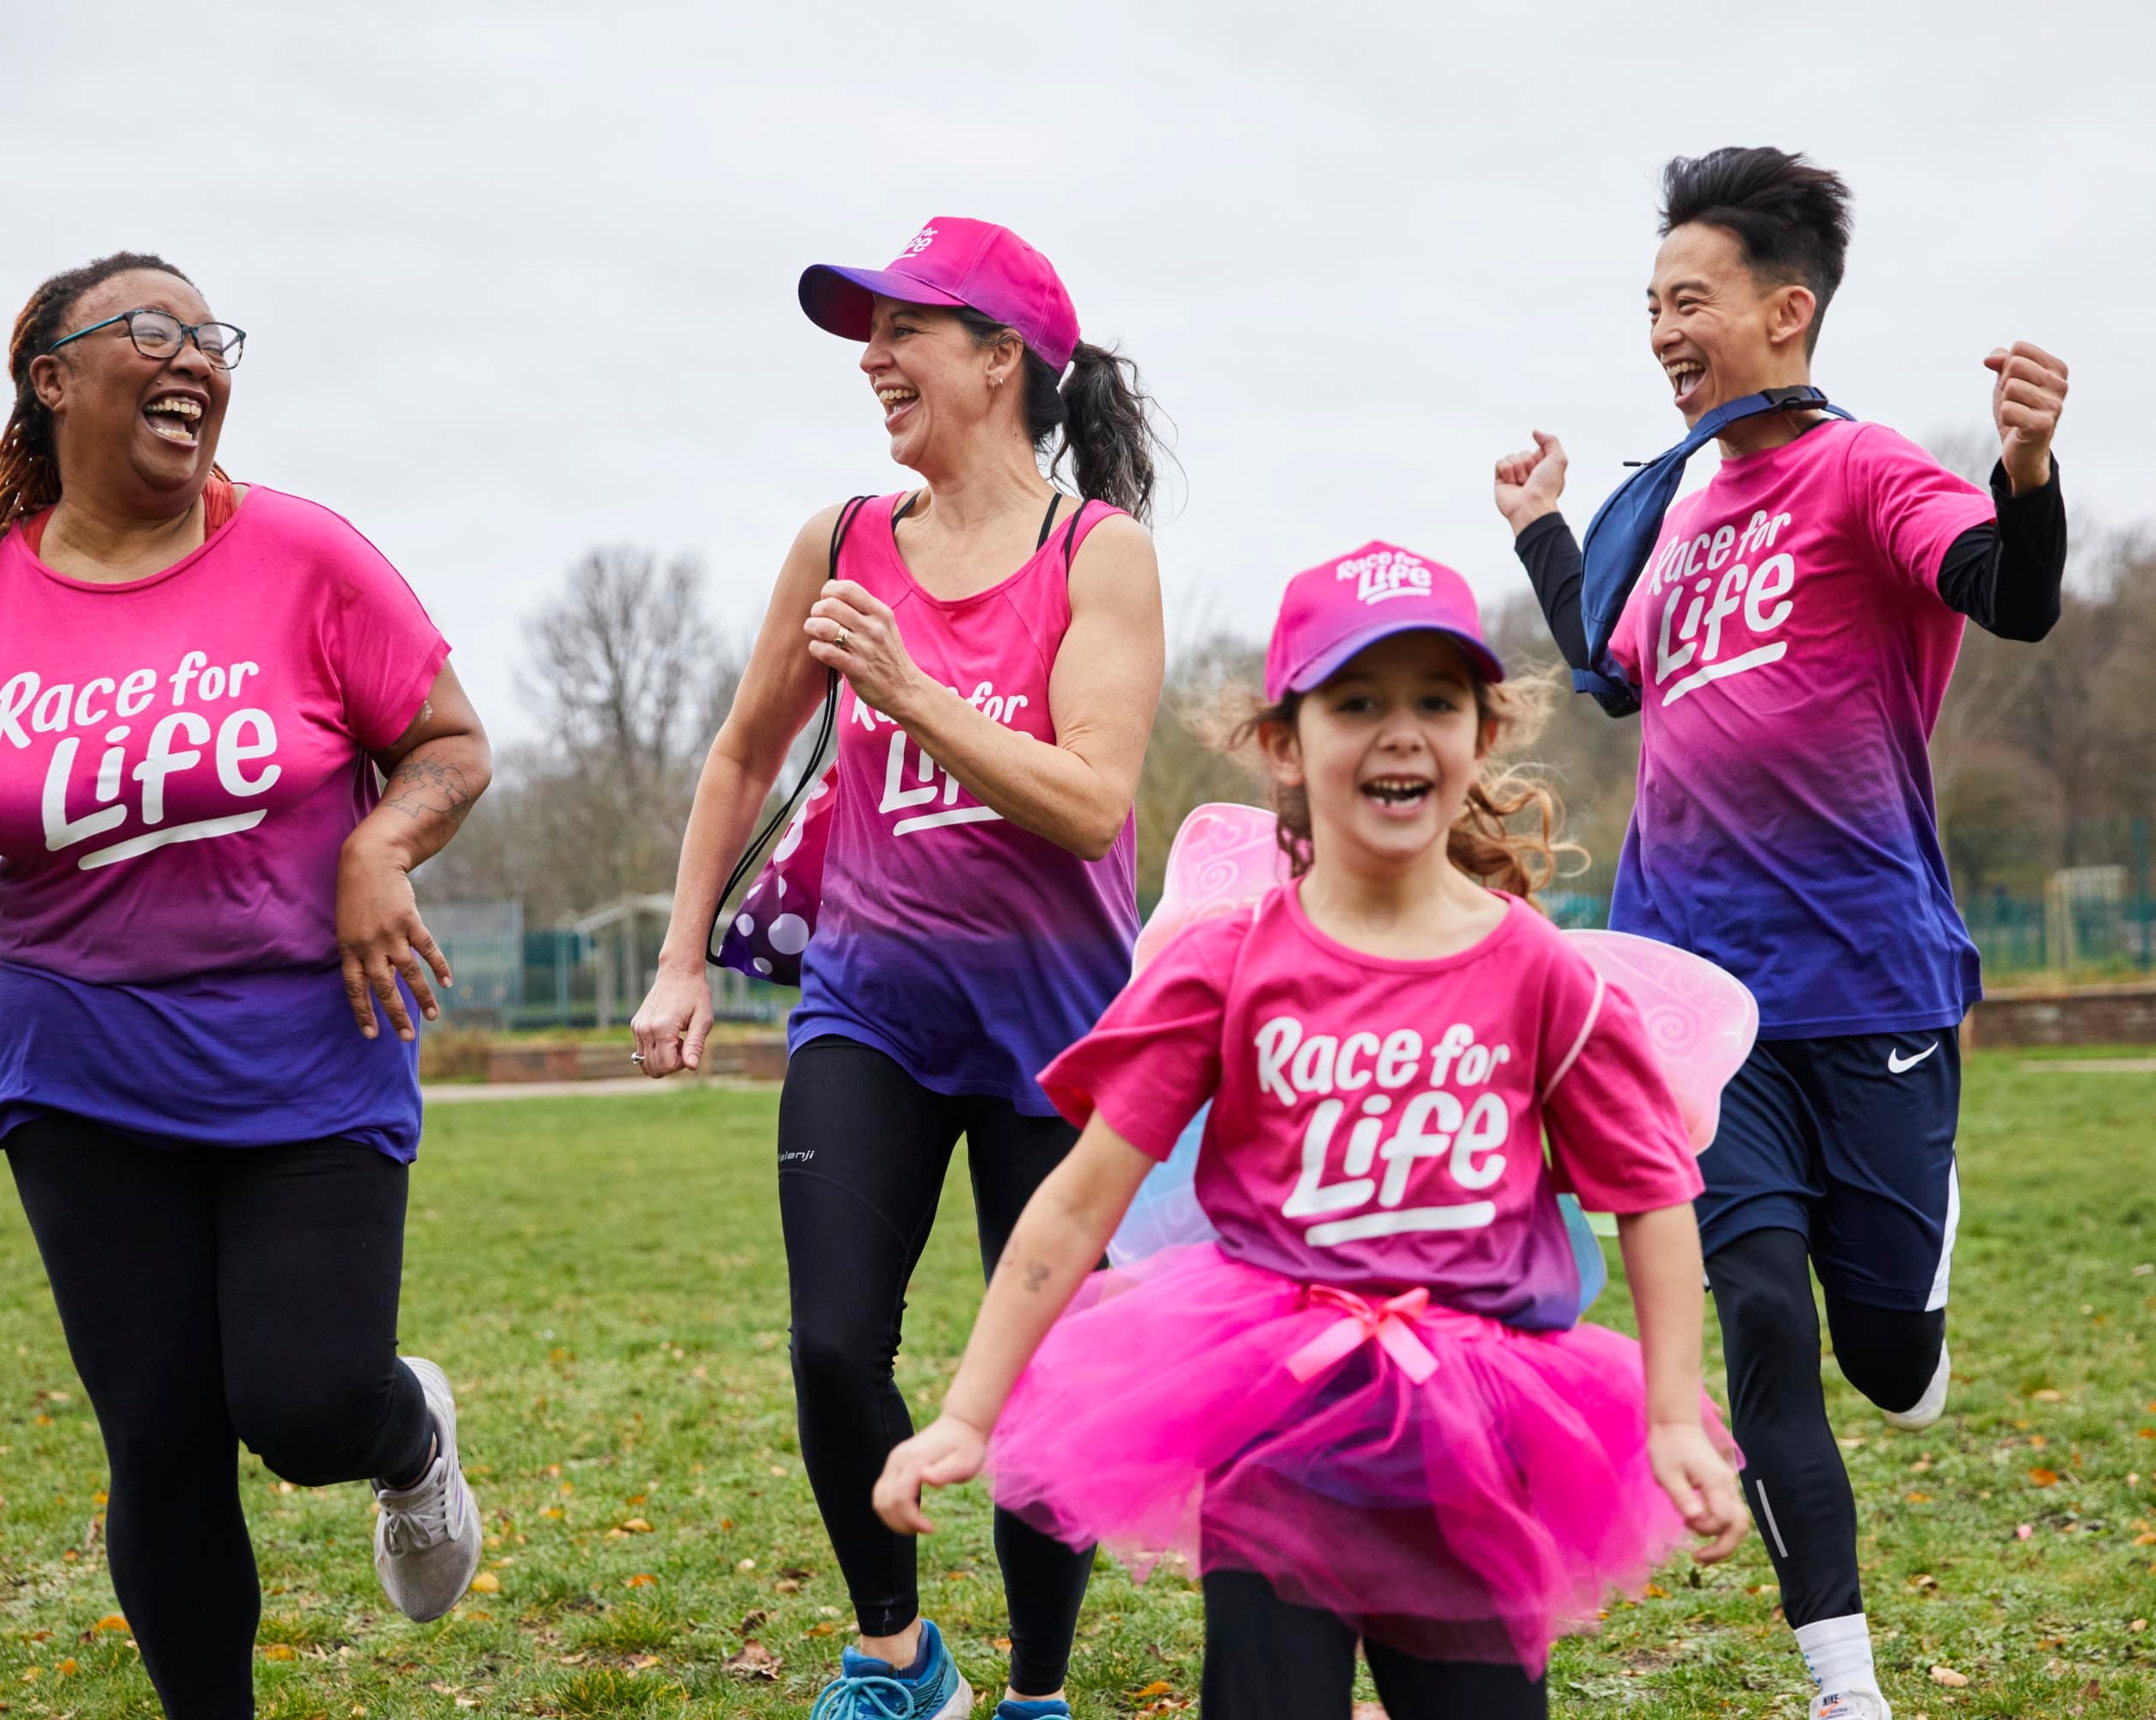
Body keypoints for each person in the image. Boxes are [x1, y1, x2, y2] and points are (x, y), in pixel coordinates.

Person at [873, 545, 1749, 1720]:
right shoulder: (1226, 966)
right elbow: (1082, 1198)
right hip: (1277, 1434)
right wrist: (971, 1411)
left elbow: (1650, 1194)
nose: (1400, 733)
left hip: (1471, 1449)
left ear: (1482, 733)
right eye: (1356, 702)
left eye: (1437, 701)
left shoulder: (1541, 975)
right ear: (1286, 743)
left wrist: (1676, 1414)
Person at [0, 251, 492, 1717]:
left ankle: (408, 1435)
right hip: (82, 1075)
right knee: (162, 1439)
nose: (195, 357)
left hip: (308, 1055)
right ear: (52, 377)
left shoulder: (309, 555)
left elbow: (451, 744)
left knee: (306, 1407)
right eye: (154, 330)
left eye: (213, 338)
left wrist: (384, 845)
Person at [1492, 147, 2071, 1720]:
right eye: (1652, 305)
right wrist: (1549, 528)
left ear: (1786, 309)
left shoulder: (1871, 473)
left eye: (1691, 301)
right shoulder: (1674, 508)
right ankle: (1845, 1684)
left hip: (1869, 976)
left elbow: (2011, 595)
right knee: (1753, 1310)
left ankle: (1917, 1278)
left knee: (1882, 1357)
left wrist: (2027, 467)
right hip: (1690, 995)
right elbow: (1604, 667)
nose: (1664, 330)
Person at [630, 217, 1165, 1720]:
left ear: (1001, 361)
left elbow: (1089, 803)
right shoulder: (845, 542)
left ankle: (1038, 1693)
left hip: (1059, 1031)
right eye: (867, 332)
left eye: (905, 328)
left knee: (1048, 1382)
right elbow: (744, 753)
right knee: (827, 1341)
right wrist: (682, 959)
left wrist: (916, 696)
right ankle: (892, 1654)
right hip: (868, 1001)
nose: (872, 359)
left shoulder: (1097, 556)